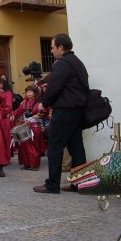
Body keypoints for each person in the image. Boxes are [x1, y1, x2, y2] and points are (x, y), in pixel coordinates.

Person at [33, 33, 89, 194]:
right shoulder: (77, 62)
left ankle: (52, 184)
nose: (51, 51)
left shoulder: (62, 63)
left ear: (61, 48)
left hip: (65, 110)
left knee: (55, 146)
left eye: (52, 47)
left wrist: (44, 103)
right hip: (77, 110)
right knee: (76, 147)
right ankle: (80, 183)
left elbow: (55, 87)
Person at [12, 85, 48, 171]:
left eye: (30, 91)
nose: (28, 93)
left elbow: (44, 112)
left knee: (34, 146)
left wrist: (39, 115)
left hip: (35, 126)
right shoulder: (24, 103)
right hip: (26, 125)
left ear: (35, 93)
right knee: (24, 146)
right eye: (27, 91)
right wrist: (13, 115)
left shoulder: (39, 103)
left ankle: (35, 165)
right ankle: (27, 164)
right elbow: (18, 111)